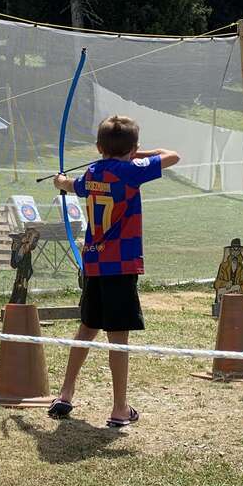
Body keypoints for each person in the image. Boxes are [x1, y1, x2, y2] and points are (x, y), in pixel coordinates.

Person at [49, 115, 180, 428]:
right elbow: (172, 155)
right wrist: (140, 154)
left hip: (94, 263)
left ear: (98, 147)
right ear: (132, 147)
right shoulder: (130, 171)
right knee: (118, 337)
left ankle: (65, 394)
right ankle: (120, 408)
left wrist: (59, 181)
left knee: (87, 327)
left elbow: (70, 184)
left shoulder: (93, 171)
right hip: (120, 265)